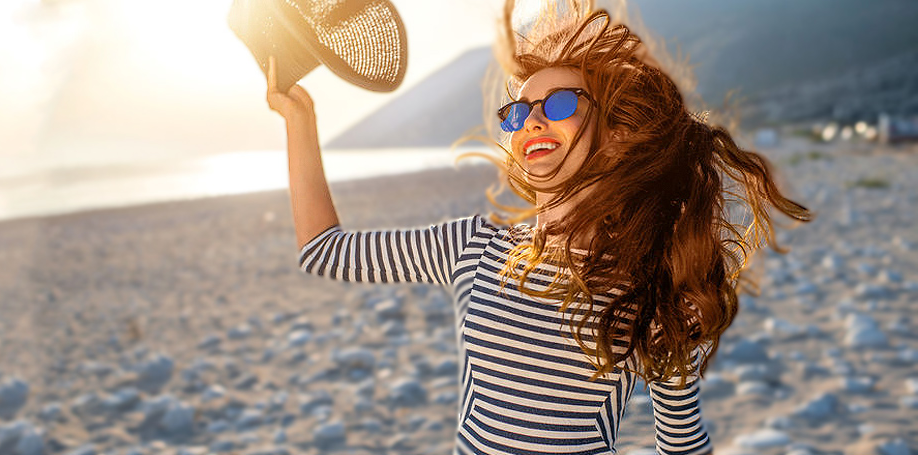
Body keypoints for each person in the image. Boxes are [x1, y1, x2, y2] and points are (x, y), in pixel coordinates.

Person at [265, 1, 811, 453]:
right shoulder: (471, 246)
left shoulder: (653, 287)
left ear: (618, 134)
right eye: (518, 111)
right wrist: (300, 121)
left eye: (561, 102)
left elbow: (681, 443)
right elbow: (325, 250)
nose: (531, 120)